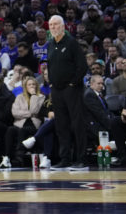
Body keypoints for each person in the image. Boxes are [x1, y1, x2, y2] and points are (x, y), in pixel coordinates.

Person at [47, 14, 89, 170]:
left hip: (71, 89)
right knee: (61, 125)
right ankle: (65, 159)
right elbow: (50, 66)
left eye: (56, 24)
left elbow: (82, 66)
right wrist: (51, 83)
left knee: (77, 123)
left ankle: (81, 159)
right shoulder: (50, 44)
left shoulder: (71, 43)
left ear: (63, 26)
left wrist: (73, 83)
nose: (53, 27)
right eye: (51, 25)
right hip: (56, 90)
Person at [3, 76, 46, 167]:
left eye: (33, 84)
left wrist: (34, 95)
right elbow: (15, 113)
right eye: (29, 84)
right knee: (10, 130)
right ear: (25, 87)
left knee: (24, 130)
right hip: (19, 124)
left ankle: (19, 158)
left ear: (36, 86)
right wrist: (30, 113)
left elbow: (34, 110)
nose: (32, 86)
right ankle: (6, 157)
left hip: (34, 126)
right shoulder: (19, 97)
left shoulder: (41, 97)